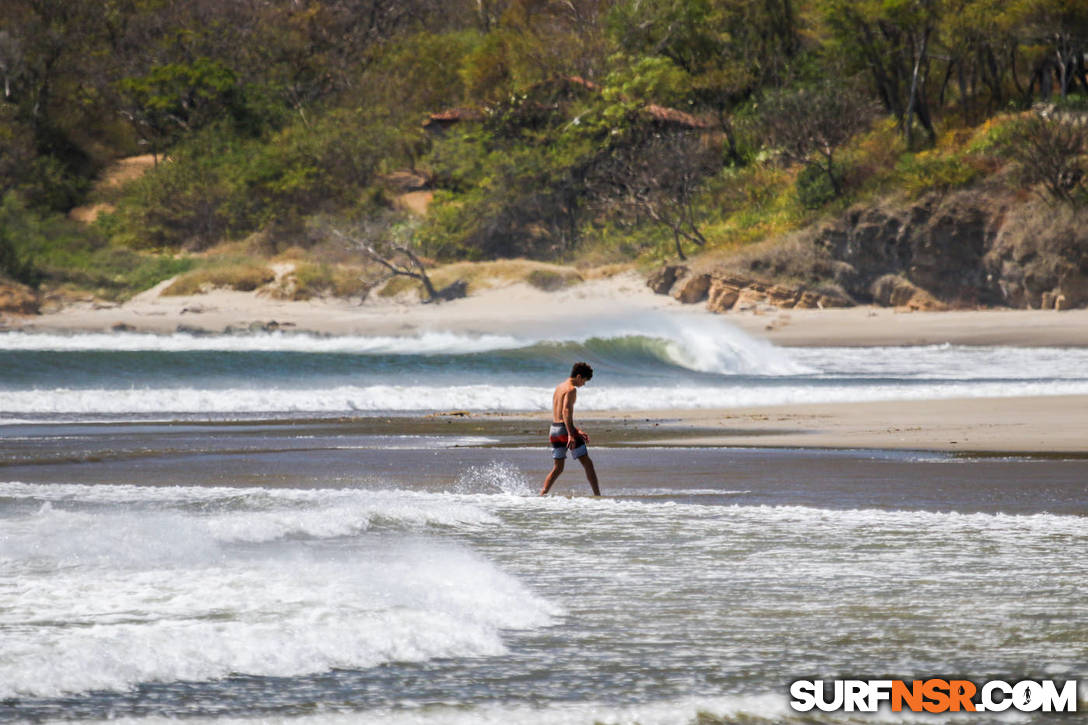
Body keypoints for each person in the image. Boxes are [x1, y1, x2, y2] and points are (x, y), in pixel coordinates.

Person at [540, 361, 600, 496]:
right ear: (579, 377)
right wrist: (571, 434)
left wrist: (576, 430)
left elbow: (560, 415)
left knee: (558, 467)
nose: (583, 384)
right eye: (584, 381)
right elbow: (566, 412)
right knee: (587, 463)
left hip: (554, 430)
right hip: (564, 431)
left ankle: (542, 494)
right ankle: (598, 495)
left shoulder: (559, 387)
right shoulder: (571, 389)